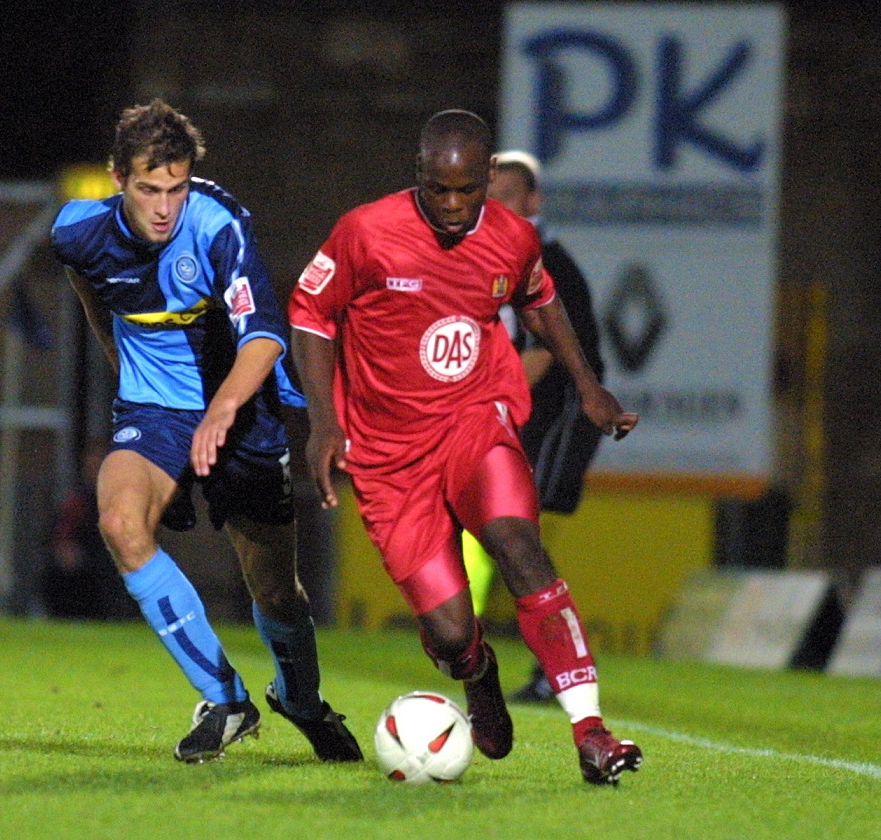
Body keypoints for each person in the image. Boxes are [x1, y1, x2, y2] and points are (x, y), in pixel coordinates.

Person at [289, 109, 644, 785]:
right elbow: (311, 314)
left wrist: (588, 385)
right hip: (389, 456)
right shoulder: (365, 232)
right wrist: (324, 419)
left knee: (517, 541)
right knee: (452, 633)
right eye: (437, 189)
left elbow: (542, 301)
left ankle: (591, 732)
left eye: (466, 190)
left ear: (487, 178)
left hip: (474, 421)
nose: (453, 206)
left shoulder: (511, 236)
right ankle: (478, 672)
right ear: (418, 174)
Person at [51, 99, 362, 764]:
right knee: (119, 522)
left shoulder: (219, 225)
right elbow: (90, 290)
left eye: (177, 188)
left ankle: (301, 700)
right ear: (116, 180)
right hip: (153, 412)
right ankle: (226, 699)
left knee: (275, 586)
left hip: (241, 410)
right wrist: (123, 370)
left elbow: (266, 337)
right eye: (148, 189)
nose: (165, 207)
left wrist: (221, 410)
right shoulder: (77, 232)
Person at [462, 150, 607, 704]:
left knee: (518, 532)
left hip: (560, 408)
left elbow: (545, 351)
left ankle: (560, 664)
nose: (492, 208)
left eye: (505, 198)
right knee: (500, 530)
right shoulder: (496, 253)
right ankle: (485, 640)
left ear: (534, 202)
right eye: (487, 198)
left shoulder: (546, 258)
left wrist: (476, 402)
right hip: (527, 410)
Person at [40, 441, 139, 622]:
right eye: (91, 467)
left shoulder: (125, 501)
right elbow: (62, 536)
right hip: (87, 566)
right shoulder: (78, 502)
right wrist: (66, 550)